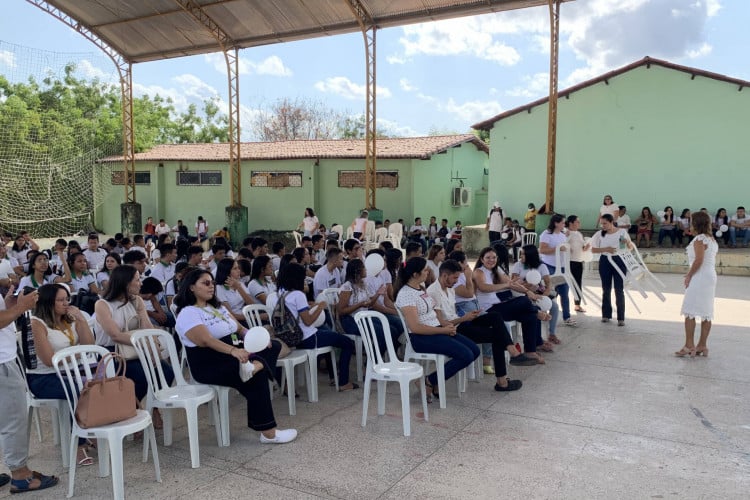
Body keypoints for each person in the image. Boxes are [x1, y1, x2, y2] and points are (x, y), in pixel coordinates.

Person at [174, 269, 297, 444]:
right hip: (210, 362)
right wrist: (233, 351)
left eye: (212, 283)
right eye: (205, 283)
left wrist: (255, 338)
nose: (211, 287)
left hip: (235, 352)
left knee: (273, 344)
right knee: (257, 378)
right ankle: (269, 432)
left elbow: (239, 329)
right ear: (191, 287)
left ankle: (254, 366)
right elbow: (205, 341)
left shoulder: (218, 308)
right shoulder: (188, 313)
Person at [427, 260, 535, 392]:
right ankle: (503, 379)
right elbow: (441, 323)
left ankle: (512, 352)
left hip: (461, 321)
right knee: (497, 337)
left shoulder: (449, 289)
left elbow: (461, 305)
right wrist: (464, 318)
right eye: (455, 278)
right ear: (444, 276)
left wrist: (468, 315)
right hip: (453, 328)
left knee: (495, 316)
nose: (456, 281)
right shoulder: (433, 291)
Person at [93, 265, 174, 426]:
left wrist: (153, 346)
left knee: (166, 372)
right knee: (143, 375)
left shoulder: (136, 300)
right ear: (125, 283)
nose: (141, 283)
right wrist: (144, 343)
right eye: (137, 280)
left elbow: (146, 327)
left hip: (135, 349)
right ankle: (133, 410)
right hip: (111, 353)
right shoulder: (103, 305)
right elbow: (115, 335)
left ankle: (148, 407)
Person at [27, 284, 96, 466]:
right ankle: (78, 443)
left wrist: (81, 319)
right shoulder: (37, 323)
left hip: (71, 371)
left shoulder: (69, 319)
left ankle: (89, 430)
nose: (66, 303)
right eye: (60, 300)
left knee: (96, 384)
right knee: (79, 388)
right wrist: (76, 354)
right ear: (48, 302)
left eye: (67, 299)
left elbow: (89, 346)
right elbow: (50, 360)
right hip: (44, 377)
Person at [0, 286, 59, 493]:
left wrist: (8, 306)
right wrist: (20, 308)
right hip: (2, 362)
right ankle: (21, 475)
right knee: (14, 419)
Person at [395, 257, 479, 401]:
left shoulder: (419, 288)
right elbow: (415, 327)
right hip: (421, 337)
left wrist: (447, 326)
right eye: (425, 270)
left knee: (474, 350)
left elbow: (433, 313)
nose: (428, 272)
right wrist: (443, 330)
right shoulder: (406, 294)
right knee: (466, 355)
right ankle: (429, 381)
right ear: (415, 274)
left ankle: (433, 381)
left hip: (436, 330)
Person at [267, 263, 358, 391]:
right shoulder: (298, 295)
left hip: (290, 338)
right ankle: (343, 382)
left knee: (330, 337)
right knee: (347, 342)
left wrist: (309, 306)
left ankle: (333, 377)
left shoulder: (278, 295)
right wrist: (320, 306)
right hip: (307, 337)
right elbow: (308, 321)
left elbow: (293, 312)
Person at [473, 247, 548, 364]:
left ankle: (530, 351)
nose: (491, 260)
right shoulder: (479, 271)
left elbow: (511, 284)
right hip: (488, 311)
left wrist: (528, 291)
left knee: (529, 315)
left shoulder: (496, 269)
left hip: (498, 306)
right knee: (525, 302)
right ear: (482, 259)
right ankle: (536, 312)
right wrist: (505, 285)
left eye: (494, 257)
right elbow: (484, 287)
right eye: (488, 258)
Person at [676, 211, 717, 357]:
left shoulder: (699, 239)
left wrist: (689, 275)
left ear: (696, 223)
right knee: (706, 313)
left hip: (700, 276)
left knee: (690, 311)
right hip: (709, 276)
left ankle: (689, 345)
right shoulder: (710, 239)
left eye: (691, 221)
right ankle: (702, 345)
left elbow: (698, 260)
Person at [512, 245, 559, 348]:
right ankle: (538, 341)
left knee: (554, 307)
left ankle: (552, 333)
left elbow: (548, 283)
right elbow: (513, 283)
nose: (521, 256)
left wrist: (545, 295)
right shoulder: (518, 265)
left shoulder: (541, 266)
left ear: (531, 255)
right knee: (535, 310)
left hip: (539, 293)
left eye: (523, 254)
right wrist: (527, 286)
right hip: (523, 294)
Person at [590, 213, 633, 326]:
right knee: (606, 288)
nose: (603, 226)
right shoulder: (599, 234)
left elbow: (630, 247)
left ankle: (621, 317)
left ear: (611, 222)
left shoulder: (622, 232)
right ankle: (606, 314)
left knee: (619, 289)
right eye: (602, 224)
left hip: (619, 260)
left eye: (605, 223)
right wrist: (606, 249)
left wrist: (627, 243)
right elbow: (593, 250)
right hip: (605, 260)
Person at [539, 213, 576, 329]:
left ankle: (567, 317)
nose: (564, 224)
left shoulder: (562, 235)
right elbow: (542, 250)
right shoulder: (546, 234)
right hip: (549, 266)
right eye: (562, 222)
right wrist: (557, 249)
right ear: (556, 223)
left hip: (562, 267)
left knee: (564, 292)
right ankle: (544, 313)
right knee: (548, 291)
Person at [215, 258, 254, 323]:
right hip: (235, 321)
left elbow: (252, 305)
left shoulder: (240, 283)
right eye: (235, 269)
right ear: (226, 271)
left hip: (246, 315)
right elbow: (230, 315)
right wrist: (256, 316)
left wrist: (239, 288)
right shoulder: (219, 288)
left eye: (238, 268)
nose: (239, 271)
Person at [565, 215, 590, 313]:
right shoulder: (566, 233)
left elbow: (583, 248)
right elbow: (562, 243)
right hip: (569, 262)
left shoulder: (579, 233)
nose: (579, 224)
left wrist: (587, 246)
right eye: (577, 222)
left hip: (578, 261)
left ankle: (577, 305)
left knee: (578, 283)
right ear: (571, 223)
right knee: (564, 284)